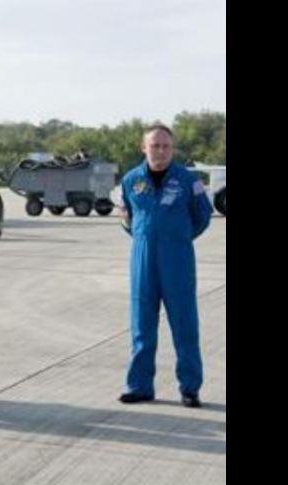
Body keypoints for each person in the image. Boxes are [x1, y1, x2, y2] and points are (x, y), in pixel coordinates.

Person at [118, 124, 213, 408]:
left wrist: (179, 238)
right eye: (154, 145)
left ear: (172, 149)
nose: (160, 151)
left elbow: (202, 217)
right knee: (141, 324)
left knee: (184, 324)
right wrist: (141, 234)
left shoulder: (188, 180)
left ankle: (190, 387)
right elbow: (127, 217)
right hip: (142, 258)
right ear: (143, 147)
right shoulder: (131, 180)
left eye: (165, 146)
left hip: (177, 259)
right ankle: (139, 385)